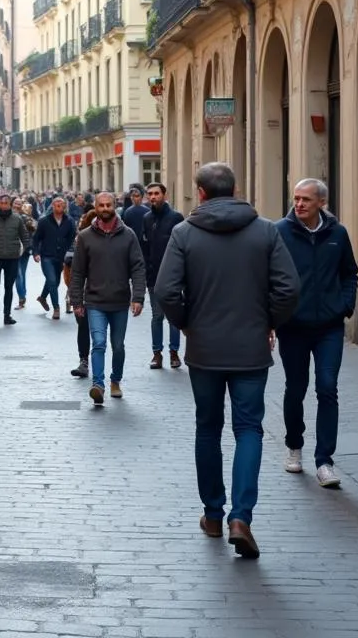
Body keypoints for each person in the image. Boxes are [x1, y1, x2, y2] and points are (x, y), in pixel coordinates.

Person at [154, 162, 300, 559]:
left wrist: (186, 324)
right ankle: (242, 517)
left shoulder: (184, 233)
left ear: (200, 193)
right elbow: (289, 288)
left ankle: (214, 515)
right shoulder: (266, 230)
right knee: (249, 429)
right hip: (251, 348)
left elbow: (166, 291)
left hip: (204, 348)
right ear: (235, 189)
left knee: (207, 428)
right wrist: (267, 321)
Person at [274, 178, 358, 488]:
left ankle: (324, 460)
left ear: (321, 202)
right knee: (296, 388)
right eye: (296, 198)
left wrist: (345, 305)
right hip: (293, 327)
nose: (299, 204)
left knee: (327, 387)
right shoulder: (280, 232)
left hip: (329, 327)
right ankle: (294, 446)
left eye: (306, 199)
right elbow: (269, 274)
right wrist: (275, 315)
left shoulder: (337, 234)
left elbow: (350, 272)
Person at [68, 192, 146, 406]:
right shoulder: (85, 236)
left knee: (118, 346)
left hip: (120, 301)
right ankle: (98, 385)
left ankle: (115, 381)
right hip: (95, 301)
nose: (104, 208)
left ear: (115, 206)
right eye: (101, 205)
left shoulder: (128, 235)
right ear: (96, 206)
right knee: (99, 343)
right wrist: (76, 301)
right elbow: (77, 272)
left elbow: (138, 267)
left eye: (108, 205)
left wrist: (138, 297)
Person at [142, 182, 184, 369]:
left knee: (173, 317)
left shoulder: (176, 218)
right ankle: (156, 354)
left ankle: (174, 352)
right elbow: (144, 248)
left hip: (174, 276)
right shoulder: (147, 218)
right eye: (150, 194)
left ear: (164, 195)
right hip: (153, 276)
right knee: (157, 316)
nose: (153, 197)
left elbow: (183, 247)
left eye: (156, 193)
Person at [0, 194, 29, 326]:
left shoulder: (17, 219)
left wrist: (27, 249)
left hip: (12, 257)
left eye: (6, 203)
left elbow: (24, 235)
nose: (4, 205)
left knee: (9, 287)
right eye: (1, 203)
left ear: (10, 204)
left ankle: (7, 314)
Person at [32, 195, 77, 319]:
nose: (59, 204)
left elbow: (72, 236)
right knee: (51, 280)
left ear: (64, 206)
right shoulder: (44, 221)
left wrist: (67, 249)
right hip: (47, 255)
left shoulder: (69, 221)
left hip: (61, 256)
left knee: (55, 282)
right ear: (52, 206)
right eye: (56, 203)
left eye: (61, 203)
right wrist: (35, 253)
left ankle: (42, 297)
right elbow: (36, 238)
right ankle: (56, 308)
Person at [65, 209, 98, 378]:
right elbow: (69, 259)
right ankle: (84, 361)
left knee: (96, 332)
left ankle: (93, 363)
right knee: (83, 327)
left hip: (103, 293)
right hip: (83, 291)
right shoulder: (80, 238)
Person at [11, 198, 36, 310]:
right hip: (13, 248)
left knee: (19, 274)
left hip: (24, 249)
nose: (17, 204)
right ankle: (22, 295)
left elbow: (33, 229)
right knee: (20, 274)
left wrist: (30, 221)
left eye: (19, 203)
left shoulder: (25, 217)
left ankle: (21, 297)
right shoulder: (9, 215)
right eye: (15, 202)